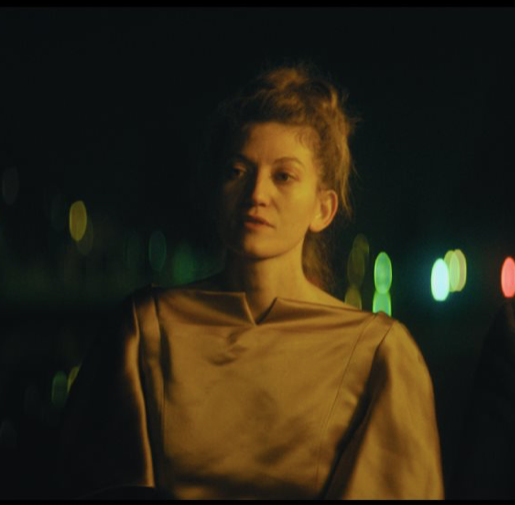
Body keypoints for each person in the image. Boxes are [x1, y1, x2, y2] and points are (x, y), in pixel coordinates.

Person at [56, 63, 444, 499]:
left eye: (284, 176)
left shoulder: (379, 353)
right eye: (237, 171)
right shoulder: (146, 328)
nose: (257, 194)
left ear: (324, 208)